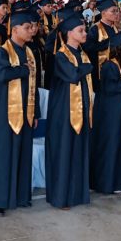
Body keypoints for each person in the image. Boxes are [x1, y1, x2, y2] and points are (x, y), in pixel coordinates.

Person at [0, 11, 39, 215]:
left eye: (32, 27)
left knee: (23, 152)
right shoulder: (2, 51)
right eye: (27, 27)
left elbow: (35, 85)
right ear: (15, 29)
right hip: (3, 112)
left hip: (26, 111)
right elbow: (3, 74)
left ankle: (20, 195)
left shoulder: (30, 52)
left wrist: (36, 113)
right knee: (3, 154)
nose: (31, 30)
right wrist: (23, 69)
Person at [45, 15, 93, 209]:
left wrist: (84, 67)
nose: (84, 33)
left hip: (81, 109)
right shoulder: (60, 55)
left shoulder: (82, 54)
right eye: (80, 30)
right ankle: (60, 197)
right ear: (69, 33)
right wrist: (86, 67)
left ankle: (77, 194)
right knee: (64, 151)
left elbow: (81, 71)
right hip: (64, 112)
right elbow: (73, 75)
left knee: (78, 149)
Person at [90, 32, 121, 195]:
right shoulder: (109, 66)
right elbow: (110, 88)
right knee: (112, 147)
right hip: (111, 114)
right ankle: (109, 183)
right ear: (119, 49)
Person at [83, 0, 119, 90]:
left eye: (117, 11)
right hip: (99, 71)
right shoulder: (95, 29)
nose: (117, 14)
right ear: (103, 13)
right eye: (113, 11)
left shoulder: (114, 27)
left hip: (114, 68)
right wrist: (108, 43)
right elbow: (88, 48)